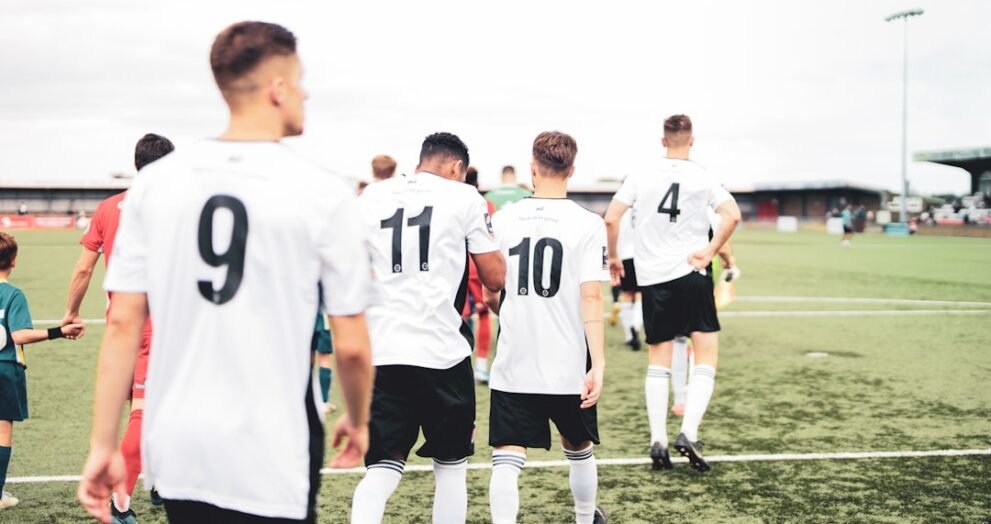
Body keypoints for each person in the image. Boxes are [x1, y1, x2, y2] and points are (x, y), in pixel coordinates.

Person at [77, 21, 375, 524]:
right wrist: (359, 418)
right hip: (272, 447)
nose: (305, 93)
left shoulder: (155, 186)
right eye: (300, 81)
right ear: (278, 89)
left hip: (180, 442)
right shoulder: (323, 193)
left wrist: (104, 444)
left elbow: (123, 322)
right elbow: (349, 343)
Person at [351, 132, 505, 524]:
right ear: (457, 168)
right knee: (451, 467)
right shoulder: (465, 196)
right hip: (441, 350)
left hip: (382, 348)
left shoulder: (372, 195)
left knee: (382, 467)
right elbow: (494, 278)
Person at [484, 131, 608, 524]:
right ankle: (585, 519)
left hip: (515, 357)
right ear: (571, 170)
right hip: (568, 360)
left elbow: (491, 290)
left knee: (507, 455)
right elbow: (591, 297)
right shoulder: (588, 223)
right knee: (579, 447)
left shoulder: (501, 219)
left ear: (532, 168)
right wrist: (599, 363)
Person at [604, 114, 740, 473]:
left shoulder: (641, 174)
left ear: (663, 141)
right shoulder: (704, 175)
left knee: (658, 360)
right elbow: (733, 216)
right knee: (705, 354)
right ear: (691, 141)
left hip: (654, 279)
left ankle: (658, 440)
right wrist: (710, 253)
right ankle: (689, 432)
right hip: (692, 273)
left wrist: (614, 257)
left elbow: (611, 218)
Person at [62, 132, 175, 523]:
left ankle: (161, 481)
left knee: (148, 407)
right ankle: (118, 504)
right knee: (147, 411)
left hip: (120, 323)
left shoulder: (110, 207)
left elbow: (83, 268)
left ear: (136, 164)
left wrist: (71, 313)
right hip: (159, 324)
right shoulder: (179, 207)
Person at [0, 232, 84, 511]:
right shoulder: (13, 294)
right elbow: (19, 335)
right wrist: (59, 332)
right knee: (2, 431)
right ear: (14, 261)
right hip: (5, 369)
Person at [464, 166, 496, 383]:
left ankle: (462, 365)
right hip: (480, 264)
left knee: (460, 315)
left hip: (457, 267)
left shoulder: (450, 200)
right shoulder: (487, 204)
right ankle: (482, 366)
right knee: (484, 315)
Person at [616, 208, 643, 350]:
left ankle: (629, 336)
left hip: (624, 256)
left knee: (626, 295)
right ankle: (636, 325)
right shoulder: (644, 206)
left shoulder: (620, 210)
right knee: (641, 294)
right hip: (642, 255)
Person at [313, 312, 336, 413]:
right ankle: (323, 401)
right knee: (324, 358)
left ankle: (305, 400)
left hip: (303, 318)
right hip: (321, 318)